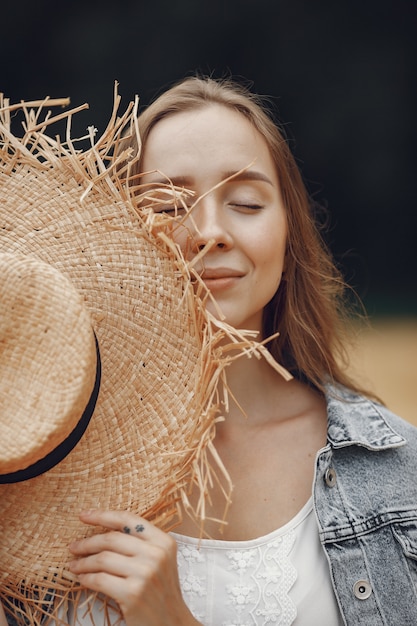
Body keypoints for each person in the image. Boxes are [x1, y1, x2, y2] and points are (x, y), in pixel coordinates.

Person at [3, 75, 417, 626]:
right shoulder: (35, 468)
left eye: (246, 202)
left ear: (289, 231)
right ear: (123, 233)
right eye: (170, 205)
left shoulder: (398, 476)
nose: (209, 231)